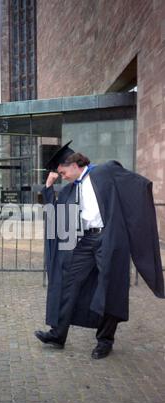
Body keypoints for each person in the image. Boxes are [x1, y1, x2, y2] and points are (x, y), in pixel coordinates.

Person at [35, 141, 164, 359]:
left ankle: (105, 341)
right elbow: (55, 216)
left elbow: (136, 184)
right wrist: (48, 188)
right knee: (69, 281)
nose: (62, 176)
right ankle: (58, 334)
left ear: (74, 164)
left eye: (62, 171)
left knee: (109, 287)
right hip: (86, 241)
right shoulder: (68, 191)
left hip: (109, 238)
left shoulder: (106, 172)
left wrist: (133, 214)